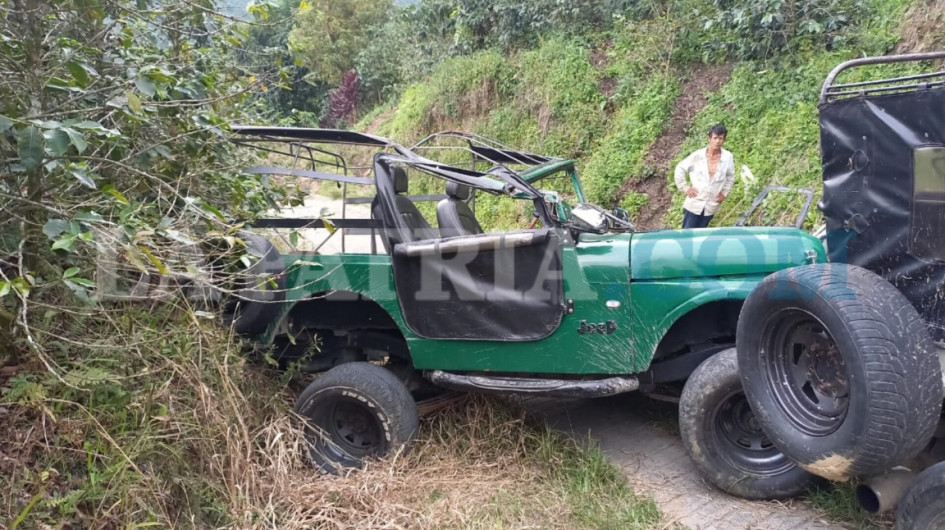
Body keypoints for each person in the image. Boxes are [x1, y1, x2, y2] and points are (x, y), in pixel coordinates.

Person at [674, 124, 735, 229]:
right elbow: (680, 169)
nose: (717, 141)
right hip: (695, 202)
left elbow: (730, 176)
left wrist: (724, 192)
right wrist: (685, 187)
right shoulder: (698, 156)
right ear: (709, 139)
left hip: (711, 204)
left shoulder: (727, 157)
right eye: (715, 138)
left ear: (724, 140)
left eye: (720, 138)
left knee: (702, 234)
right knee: (687, 233)